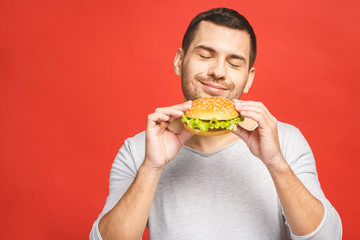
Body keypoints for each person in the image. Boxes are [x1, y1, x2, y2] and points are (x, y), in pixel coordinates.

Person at [90, 8, 342, 240]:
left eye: (234, 63)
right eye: (205, 55)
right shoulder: (139, 150)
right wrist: (151, 168)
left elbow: (328, 237)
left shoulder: (284, 141)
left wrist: (276, 164)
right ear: (180, 61)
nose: (219, 72)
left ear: (248, 78)